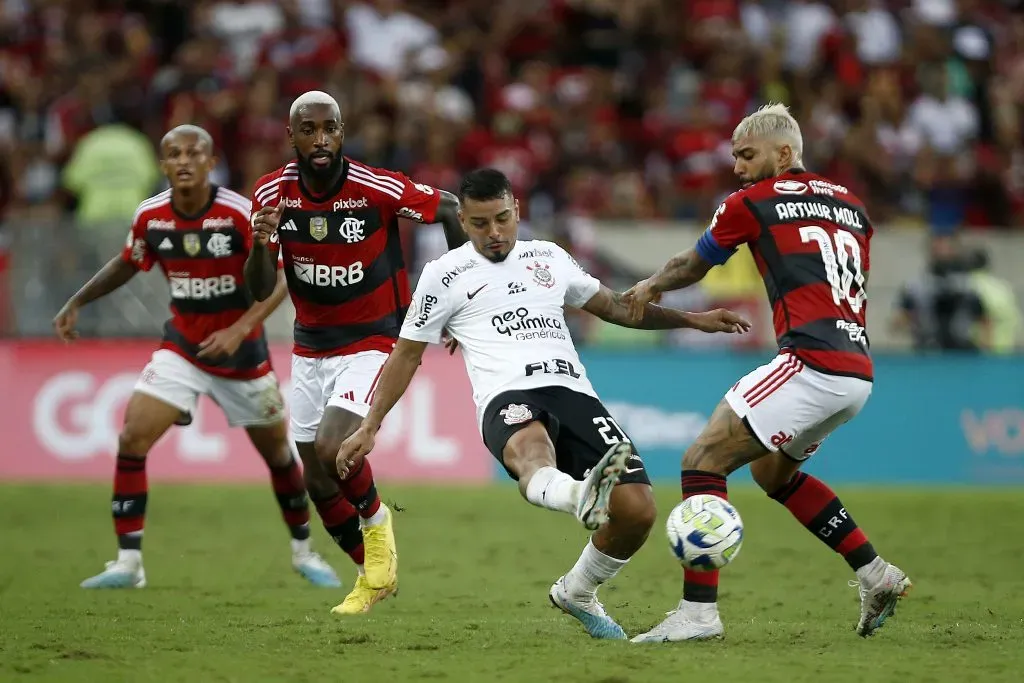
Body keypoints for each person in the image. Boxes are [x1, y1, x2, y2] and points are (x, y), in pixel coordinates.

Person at [336, 168, 751, 639]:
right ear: (464, 223)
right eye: (479, 224)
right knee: (533, 453)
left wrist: (693, 319)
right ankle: (581, 495)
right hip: (505, 393)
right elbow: (407, 353)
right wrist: (370, 425)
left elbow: (615, 306)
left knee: (638, 511)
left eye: (502, 219)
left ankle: (576, 590)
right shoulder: (443, 275)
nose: (494, 233)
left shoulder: (548, 257)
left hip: (571, 391)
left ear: (516, 209)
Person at [623, 103, 911, 642]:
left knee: (702, 459)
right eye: (734, 158)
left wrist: (650, 285)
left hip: (811, 362)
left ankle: (698, 614)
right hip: (856, 373)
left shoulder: (752, 202)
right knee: (771, 473)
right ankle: (878, 574)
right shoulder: (852, 205)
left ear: (785, 153)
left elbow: (695, 262)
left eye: (747, 155)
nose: (737, 167)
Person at [54, 125, 340, 589]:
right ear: (162, 166)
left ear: (211, 163)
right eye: (173, 154)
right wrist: (77, 301)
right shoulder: (152, 216)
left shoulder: (238, 214)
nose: (184, 161)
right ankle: (128, 564)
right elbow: (130, 260)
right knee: (131, 438)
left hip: (243, 357)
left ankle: (304, 552)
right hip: (182, 350)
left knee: (279, 458)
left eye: (194, 153)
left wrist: (240, 328)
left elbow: (283, 278)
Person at [245, 91, 468, 615]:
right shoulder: (271, 195)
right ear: (291, 135)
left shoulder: (376, 187)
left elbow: (451, 208)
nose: (320, 139)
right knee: (315, 477)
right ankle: (371, 577)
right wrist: (260, 244)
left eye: (330, 128)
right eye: (309, 129)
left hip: (373, 339)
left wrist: (460, 300)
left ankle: (376, 522)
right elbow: (258, 289)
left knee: (332, 446)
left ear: (342, 133)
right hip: (310, 347)